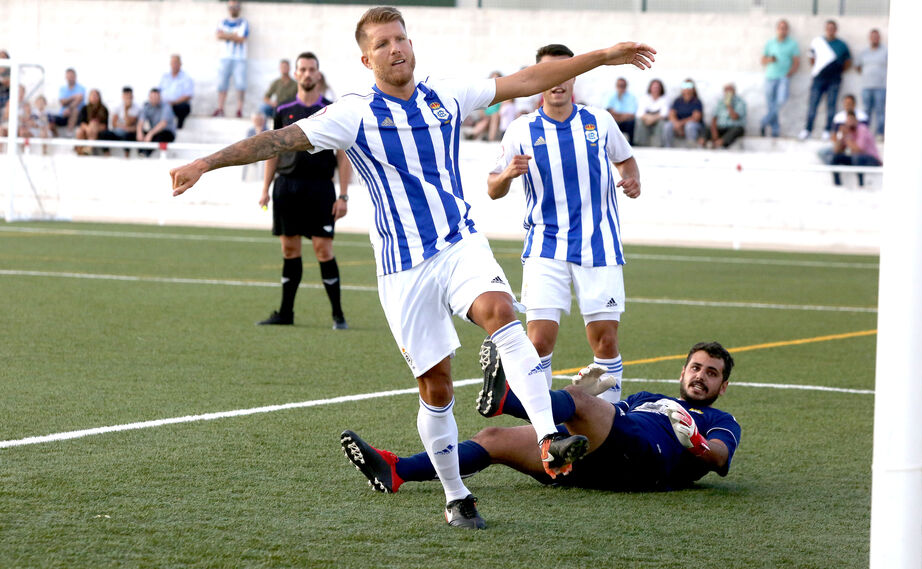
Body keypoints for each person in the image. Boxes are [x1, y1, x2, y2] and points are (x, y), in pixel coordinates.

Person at [169, 5, 655, 530]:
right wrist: (204, 162)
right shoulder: (351, 114)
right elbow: (278, 140)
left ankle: (547, 436)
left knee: (500, 311)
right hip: (403, 269)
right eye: (382, 43)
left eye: (401, 38)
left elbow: (528, 79)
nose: (396, 48)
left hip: (459, 243)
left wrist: (602, 57)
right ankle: (456, 495)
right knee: (437, 388)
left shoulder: (445, 94)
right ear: (365, 58)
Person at [341, 341, 741, 495]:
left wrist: (698, 444)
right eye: (696, 368)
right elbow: (603, 420)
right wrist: (589, 394)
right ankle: (398, 471)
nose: (701, 377)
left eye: (711, 373)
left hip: (647, 465)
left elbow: (720, 457)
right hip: (593, 460)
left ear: (722, 385)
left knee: (574, 404)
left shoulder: (720, 418)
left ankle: (510, 398)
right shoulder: (648, 398)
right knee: (494, 437)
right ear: (683, 371)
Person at [487, 43, 641, 404]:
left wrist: (632, 181)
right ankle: (543, 428)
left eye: (564, 72)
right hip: (545, 246)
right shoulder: (521, 129)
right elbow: (492, 189)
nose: (557, 81)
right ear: (538, 80)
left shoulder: (599, 121)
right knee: (538, 342)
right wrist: (508, 173)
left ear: (574, 77)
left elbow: (627, 161)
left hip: (598, 245)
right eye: (548, 74)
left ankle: (608, 422)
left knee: (604, 339)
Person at [256, 52, 352, 330]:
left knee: (323, 249)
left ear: (318, 74)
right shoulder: (283, 111)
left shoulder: (332, 109)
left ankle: (338, 315)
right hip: (286, 187)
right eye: (303, 69)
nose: (307, 74)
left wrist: (343, 195)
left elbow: (343, 156)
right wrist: (265, 188)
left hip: (320, 188)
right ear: (296, 74)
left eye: (312, 69)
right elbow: (272, 151)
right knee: (289, 248)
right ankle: (286, 312)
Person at [800, 20, 851, 140]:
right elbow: (811, 58)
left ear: (836, 30)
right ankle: (808, 129)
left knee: (831, 106)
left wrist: (836, 71)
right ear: (825, 29)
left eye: (833, 28)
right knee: (813, 105)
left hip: (834, 80)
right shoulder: (818, 42)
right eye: (828, 28)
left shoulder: (842, 45)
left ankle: (828, 130)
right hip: (819, 79)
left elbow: (848, 61)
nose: (830, 30)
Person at [759, 19, 800, 138]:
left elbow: (796, 61)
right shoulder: (770, 43)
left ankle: (764, 121)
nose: (782, 30)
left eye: (785, 28)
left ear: (787, 30)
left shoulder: (792, 44)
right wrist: (770, 60)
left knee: (781, 100)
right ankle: (775, 130)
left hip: (783, 77)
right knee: (771, 104)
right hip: (770, 76)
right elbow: (762, 60)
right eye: (780, 28)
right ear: (777, 29)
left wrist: (789, 73)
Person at [213, 0, 249, 118]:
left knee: (240, 85)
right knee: (222, 84)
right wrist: (233, 35)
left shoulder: (243, 22)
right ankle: (220, 108)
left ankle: (239, 110)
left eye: (235, 7)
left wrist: (226, 35)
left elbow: (242, 38)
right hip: (225, 57)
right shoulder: (222, 22)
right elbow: (218, 35)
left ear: (239, 8)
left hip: (239, 58)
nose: (233, 9)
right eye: (231, 7)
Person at [830, 110, 881, 187]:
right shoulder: (848, 131)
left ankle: (861, 185)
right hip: (856, 159)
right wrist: (841, 135)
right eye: (848, 120)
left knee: (857, 157)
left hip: (872, 159)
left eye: (851, 120)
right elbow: (837, 150)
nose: (849, 122)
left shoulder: (862, 129)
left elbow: (859, 150)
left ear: (856, 120)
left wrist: (847, 138)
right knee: (836, 157)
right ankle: (837, 185)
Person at [816, 93, 868, 164]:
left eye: (849, 103)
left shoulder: (862, 116)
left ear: (854, 104)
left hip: (855, 145)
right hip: (841, 144)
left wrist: (850, 143)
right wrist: (839, 144)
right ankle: (833, 167)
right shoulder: (839, 117)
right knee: (822, 152)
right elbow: (834, 135)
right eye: (845, 103)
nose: (847, 105)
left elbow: (863, 135)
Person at [855, 29, 887, 137]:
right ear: (869, 38)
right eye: (872, 36)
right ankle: (865, 134)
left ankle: (880, 133)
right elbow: (857, 66)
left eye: (876, 37)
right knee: (866, 111)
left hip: (880, 86)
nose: (874, 39)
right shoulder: (864, 52)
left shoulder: (885, 51)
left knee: (880, 111)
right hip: (866, 86)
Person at [662, 79, 704, 147]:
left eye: (689, 86)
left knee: (690, 126)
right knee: (668, 126)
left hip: (692, 125)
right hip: (678, 124)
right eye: (685, 86)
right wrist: (676, 123)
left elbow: (696, 118)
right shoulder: (677, 101)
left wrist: (680, 124)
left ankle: (691, 147)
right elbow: (671, 114)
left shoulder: (697, 102)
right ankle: (668, 147)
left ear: (693, 89)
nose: (687, 89)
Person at [158, 54, 195, 129]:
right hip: (164, 104)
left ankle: (179, 126)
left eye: (176, 62)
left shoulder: (186, 77)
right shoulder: (164, 76)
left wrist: (173, 102)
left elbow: (188, 95)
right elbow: (158, 91)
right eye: (172, 63)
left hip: (177, 105)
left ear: (180, 64)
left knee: (183, 107)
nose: (174, 65)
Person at [706, 83, 746, 149]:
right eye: (726, 90)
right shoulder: (720, 102)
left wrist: (729, 106)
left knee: (736, 130)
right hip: (721, 127)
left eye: (730, 90)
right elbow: (714, 117)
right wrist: (714, 131)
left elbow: (735, 117)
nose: (728, 92)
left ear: (734, 91)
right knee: (707, 127)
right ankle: (704, 142)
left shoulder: (740, 102)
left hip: (734, 127)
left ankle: (720, 143)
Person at [137, 87, 175, 157]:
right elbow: (141, 121)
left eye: (156, 97)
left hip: (167, 132)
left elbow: (163, 123)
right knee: (139, 134)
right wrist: (139, 132)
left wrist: (150, 134)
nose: (154, 99)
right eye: (152, 97)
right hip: (155, 132)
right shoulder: (147, 106)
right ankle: (140, 153)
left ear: (160, 97)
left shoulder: (166, 106)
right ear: (149, 97)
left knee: (160, 135)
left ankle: (145, 154)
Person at [466, 71, 504, 141]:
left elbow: (504, 108)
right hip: (487, 116)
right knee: (486, 120)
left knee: (494, 116)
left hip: (498, 116)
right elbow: (481, 108)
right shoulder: (487, 93)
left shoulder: (504, 93)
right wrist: (483, 114)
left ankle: (480, 135)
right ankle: (474, 135)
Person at [73, 89, 109, 155]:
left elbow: (105, 125)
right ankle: (84, 150)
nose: (94, 97)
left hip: (99, 130)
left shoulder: (103, 109)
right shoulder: (85, 108)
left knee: (93, 123)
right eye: (92, 95)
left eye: (96, 96)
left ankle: (88, 147)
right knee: (80, 132)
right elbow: (82, 123)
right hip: (87, 130)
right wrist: (88, 129)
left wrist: (92, 126)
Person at [633, 78, 667, 147]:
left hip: (657, 121)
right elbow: (639, 113)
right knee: (639, 121)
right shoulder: (644, 98)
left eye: (657, 87)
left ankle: (659, 145)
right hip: (646, 121)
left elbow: (664, 114)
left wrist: (652, 119)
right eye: (654, 87)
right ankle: (641, 144)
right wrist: (649, 118)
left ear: (661, 89)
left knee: (662, 123)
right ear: (650, 88)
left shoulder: (664, 99)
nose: (656, 89)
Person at [51, 68, 86, 133]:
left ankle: (69, 133)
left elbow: (78, 100)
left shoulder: (81, 88)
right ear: (66, 77)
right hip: (64, 114)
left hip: (78, 115)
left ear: (75, 77)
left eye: (72, 76)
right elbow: (62, 102)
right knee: (50, 119)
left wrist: (69, 108)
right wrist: (73, 97)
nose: (70, 78)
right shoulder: (62, 88)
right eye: (68, 76)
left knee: (75, 111)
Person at [605, 76, 637, 143]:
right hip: (614, 121)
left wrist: (617, 115)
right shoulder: (611, 96)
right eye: (619, 85)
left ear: (626, 86)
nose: (621, 87)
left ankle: (632, 144)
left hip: (626, 122)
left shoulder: (631, 97)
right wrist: (621, 115)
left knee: (632, 123)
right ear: (616, 86)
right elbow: (607, 111)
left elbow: (631, 114)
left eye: (623, 86)